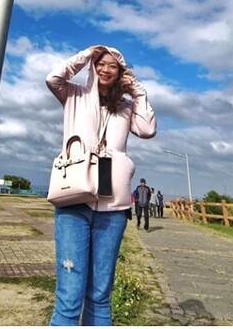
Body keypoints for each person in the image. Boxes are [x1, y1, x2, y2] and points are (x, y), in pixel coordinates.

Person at [46, 45, 156, 325]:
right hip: (73, 201)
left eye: (113, 66)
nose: (106, 69)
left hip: (114, 206)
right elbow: (53, 78)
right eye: (101, 63)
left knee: (100, 295)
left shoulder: (126, 107)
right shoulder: (74, 95)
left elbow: (147, 130)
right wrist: (86, 55)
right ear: (93, 67)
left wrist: (139, 92)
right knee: (69, 296)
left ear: (121, 72)